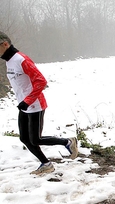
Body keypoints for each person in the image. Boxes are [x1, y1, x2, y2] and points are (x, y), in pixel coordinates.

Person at [0, 31, 78, 175]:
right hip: (23, 105)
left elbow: (41, 81)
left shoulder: (21, 60)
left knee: (35, 139)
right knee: (25, 138)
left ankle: (67, 142)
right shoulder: (9, 61)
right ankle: (46, 164)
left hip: (35, 104)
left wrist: (28, 100)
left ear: (5, 44)